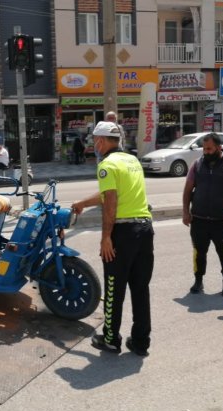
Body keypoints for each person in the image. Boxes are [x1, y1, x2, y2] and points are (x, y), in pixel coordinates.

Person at [71, 121, 154, 357]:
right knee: (140, 289)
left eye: (95, 139)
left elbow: (111, 202)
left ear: (102, 140)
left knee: (114, 288)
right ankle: (140, 342)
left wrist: (106, 237)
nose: (94, 143)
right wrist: (82, 204)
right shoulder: (132, 160)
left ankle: (110, 339)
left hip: (123, 233)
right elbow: (110, 192)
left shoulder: (107, 165)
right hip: (145, 229)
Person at [182, 133, 223, 297]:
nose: (205, 152)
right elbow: (187, 190)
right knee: (199, 252)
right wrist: (186, 211)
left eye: (209, 149)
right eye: (204, 149)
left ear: (219, 148)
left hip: (221, 221)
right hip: (199, 219)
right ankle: (198, 281)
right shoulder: (197, 164)